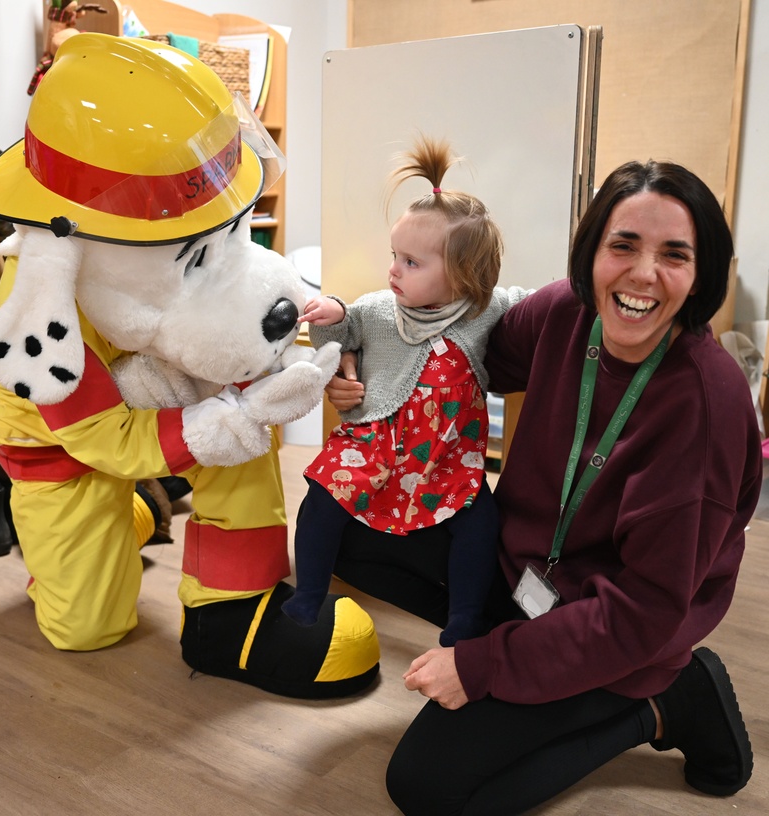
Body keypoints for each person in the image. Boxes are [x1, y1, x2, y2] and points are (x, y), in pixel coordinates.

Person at [325, 158, 761, 813]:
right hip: (523, 572)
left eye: (674, 254)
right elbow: (476, 354)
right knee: (342, 526)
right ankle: (515, 648)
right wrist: (363, 361)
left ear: (700, 275)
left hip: (620, 631)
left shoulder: (704, 408)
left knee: (427, 788)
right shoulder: (564, 310)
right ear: (590, 254)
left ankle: (666, 703)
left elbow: (641, 612)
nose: (643, 274)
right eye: (623, 246)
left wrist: (483, 666)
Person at [280, 136, 526, 647]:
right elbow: (341, 336)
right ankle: (309, 592)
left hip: (447, 455)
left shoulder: (485, 312)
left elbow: (536, 306)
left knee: (479, 523)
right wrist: (332, 313)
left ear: (463, 276)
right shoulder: (376, 308)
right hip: (372, 443)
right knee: (322, 495)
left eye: (412, 263)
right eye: (396, 256)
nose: (394, 269)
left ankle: (464, 616)